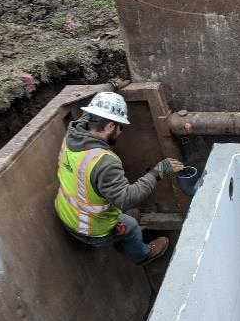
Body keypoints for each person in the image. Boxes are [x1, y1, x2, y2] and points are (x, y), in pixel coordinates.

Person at [54, 92, 183, 264]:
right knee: (131, 226)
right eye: (120, 127)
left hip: (65, 210)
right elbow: (127, 199)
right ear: (109, 126)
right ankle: (143, 255)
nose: (121, 132)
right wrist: (157, 172)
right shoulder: (103, 162)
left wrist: (113, 87)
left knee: (129, 214)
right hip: (90, 229)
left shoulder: (74, 134)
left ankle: (121, 238)